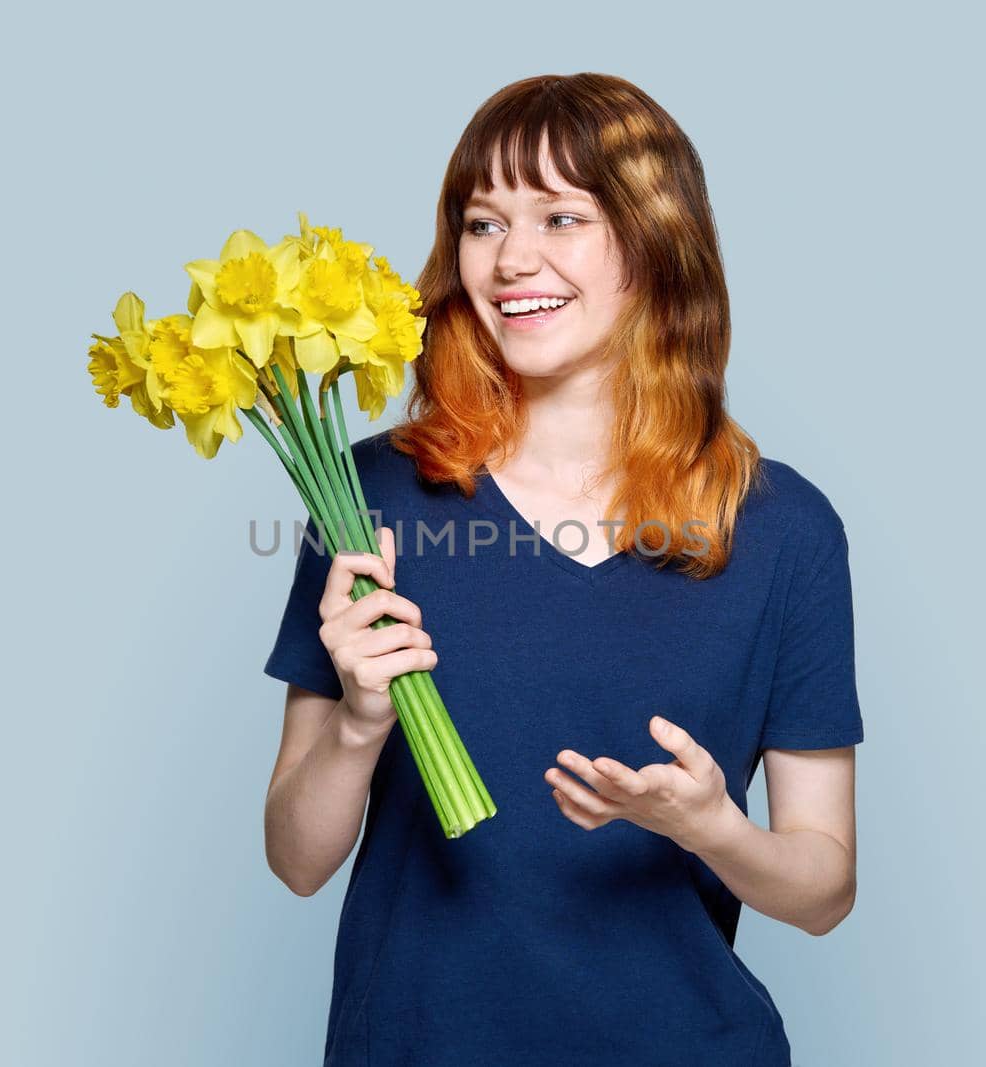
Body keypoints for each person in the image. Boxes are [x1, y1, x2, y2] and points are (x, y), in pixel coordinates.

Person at [262, 72, 862, 1066]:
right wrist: (360, 724)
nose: (512, 259)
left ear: (653, 242)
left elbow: (824, 888)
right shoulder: (365, 494)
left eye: (560, 216)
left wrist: (713, 826)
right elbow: (295, 858)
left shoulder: (783, 529)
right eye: (483, 222)